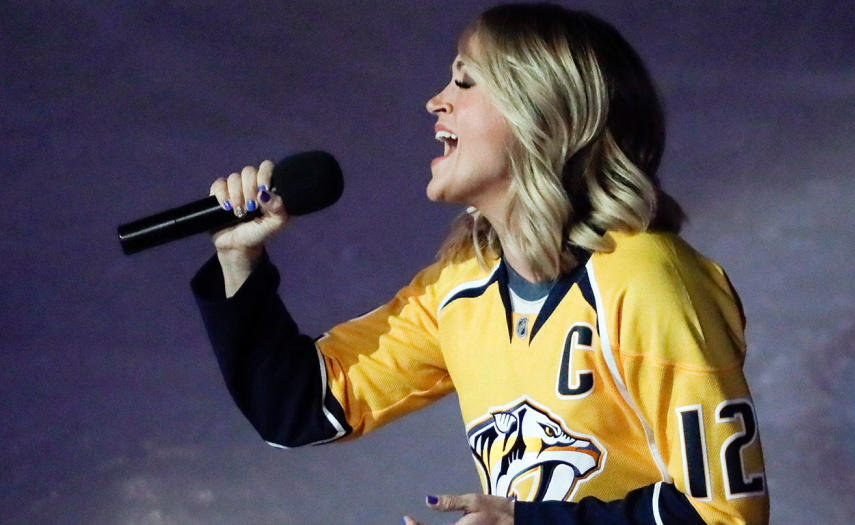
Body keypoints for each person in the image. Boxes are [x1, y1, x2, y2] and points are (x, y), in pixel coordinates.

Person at [191, 4, 769, 524]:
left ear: (541, 112)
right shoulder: (462, 285)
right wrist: (238, 257)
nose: (435, 101)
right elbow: (300, 408)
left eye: (464, 81)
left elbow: (724, 515)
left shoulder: (646, 277)